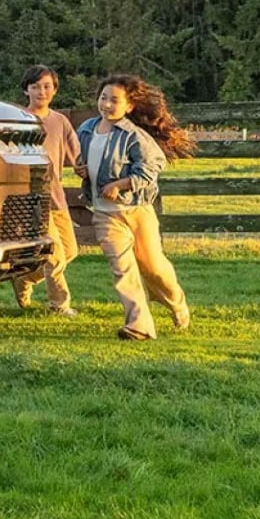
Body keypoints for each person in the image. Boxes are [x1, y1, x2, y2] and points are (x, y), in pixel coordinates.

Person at [75, 74, 196, 341]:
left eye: (114, 100)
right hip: (105, 214)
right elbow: (86, 160)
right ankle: (139, 326)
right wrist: (80, 168)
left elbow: (151, 169)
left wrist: (122, 184)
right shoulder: (85, 130)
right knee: (123, 268)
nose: (106, 104)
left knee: (153, 267)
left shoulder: (134, 136)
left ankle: (175, 300)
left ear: (129, 106)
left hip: (137, 211)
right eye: (103, 98)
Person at [12, 66, 81, 317]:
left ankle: (25, 279)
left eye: (47, 86)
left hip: (56, 196)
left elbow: (77, 154)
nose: (41, 91)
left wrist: (85, 169)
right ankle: (59, 305)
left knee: (71, 251)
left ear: (55, 90)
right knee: (54, 255)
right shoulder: (18, 119)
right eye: (35, 86)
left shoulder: (60, 121)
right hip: (31, 197)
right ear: (26, 90)